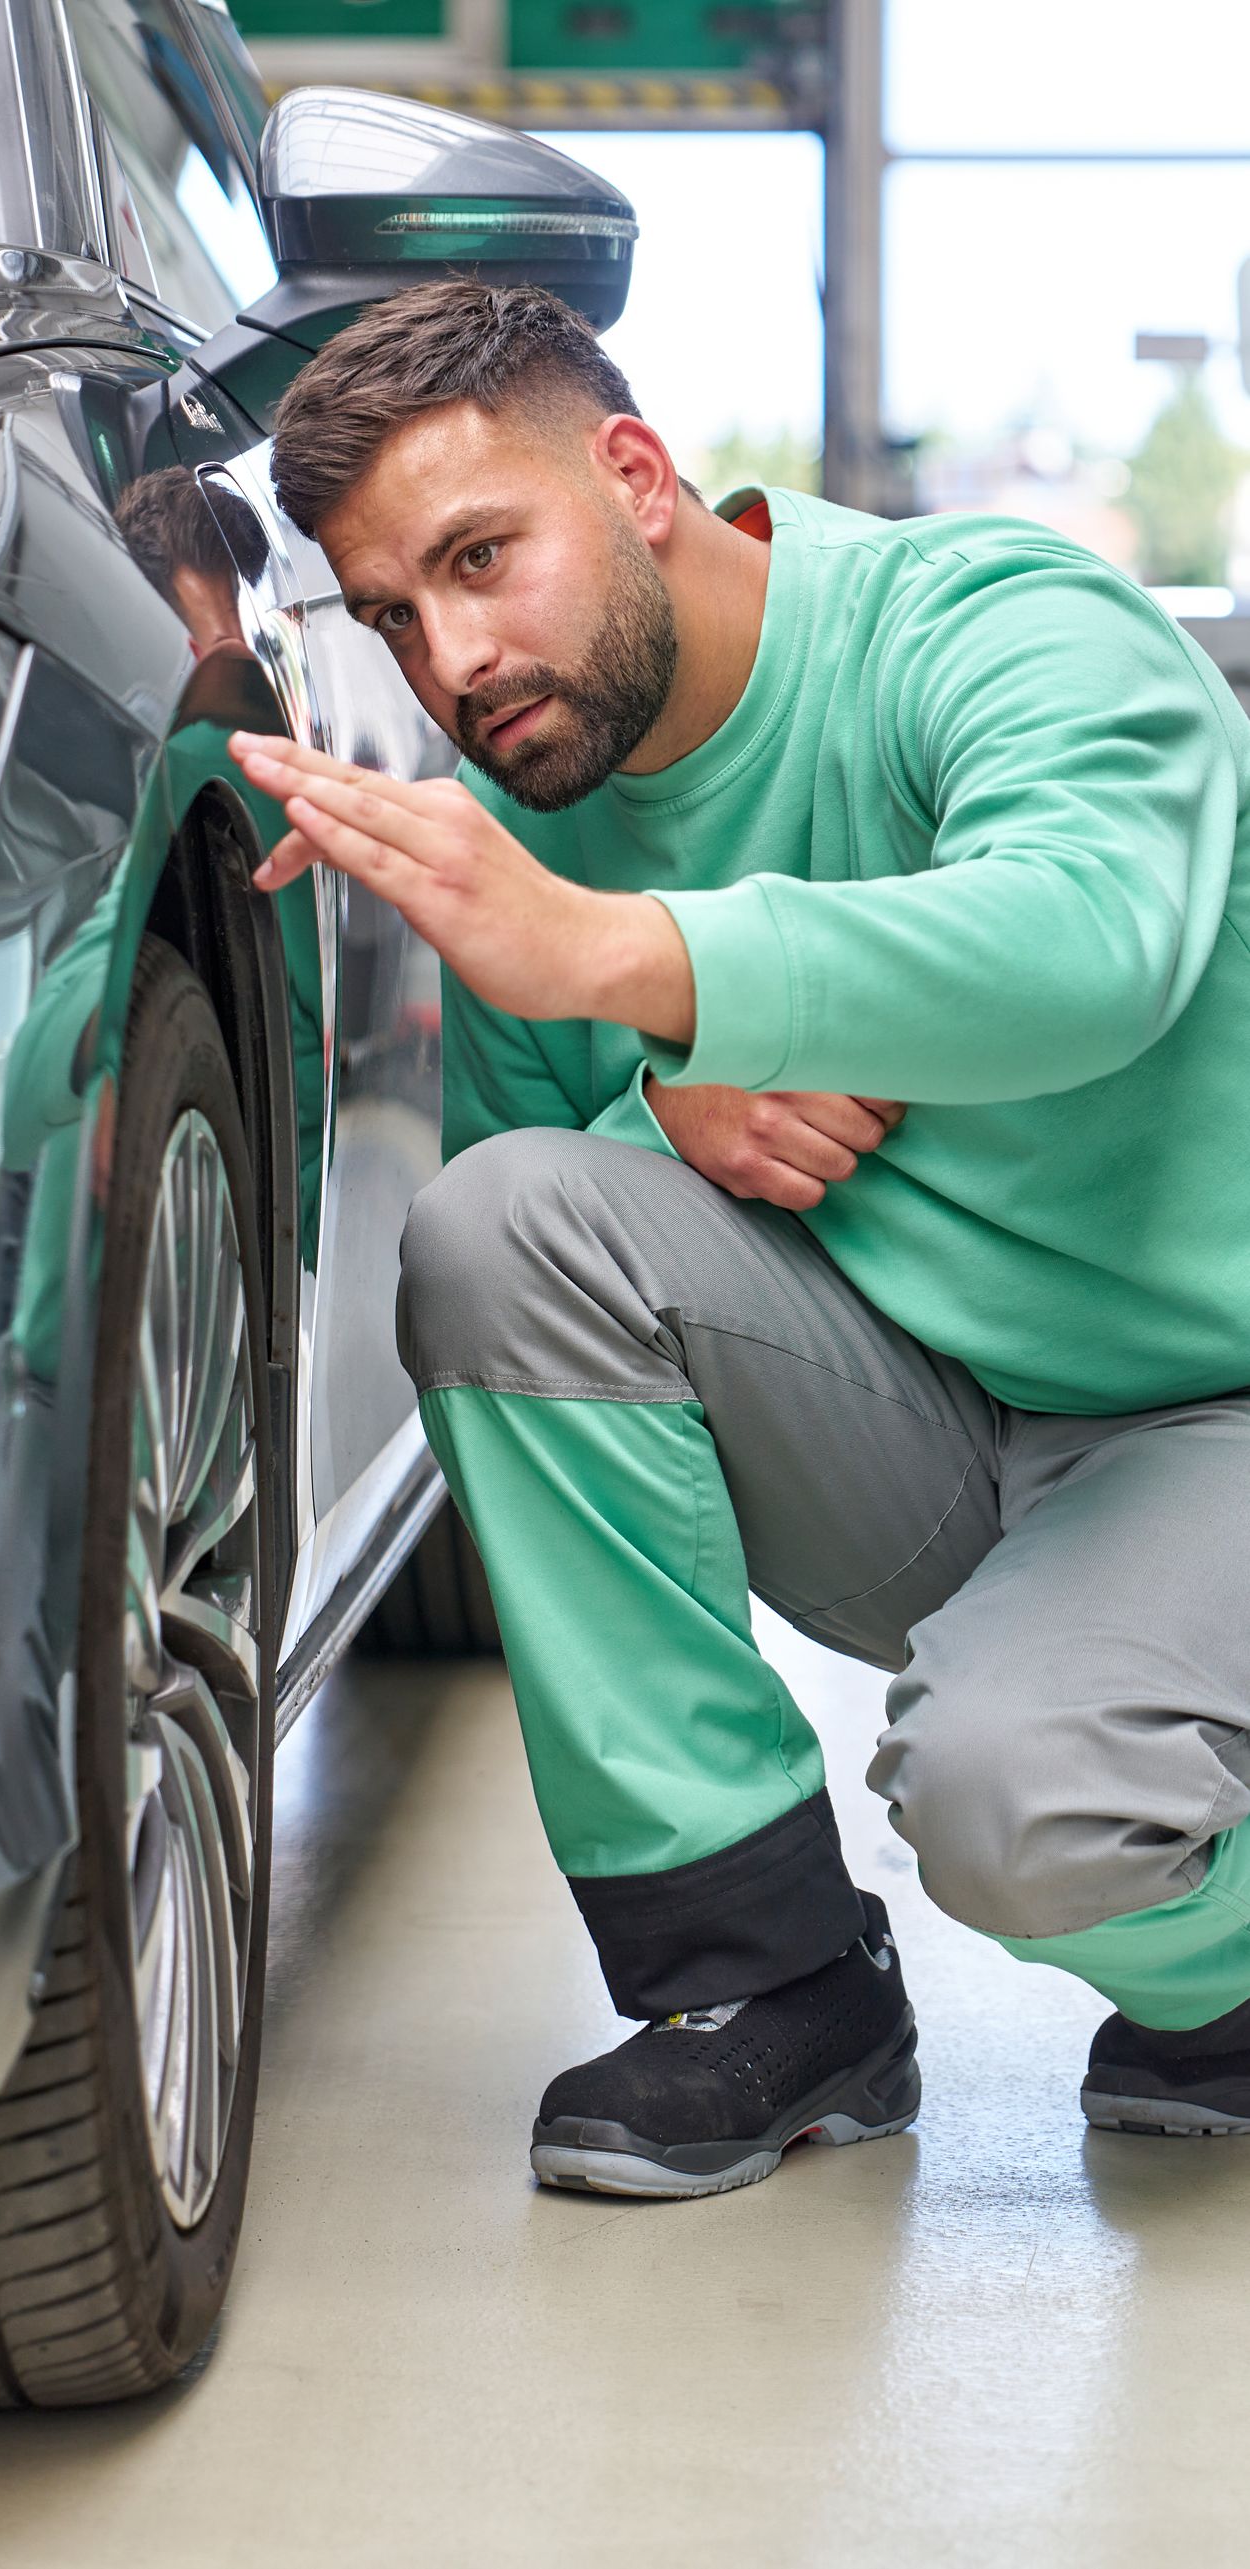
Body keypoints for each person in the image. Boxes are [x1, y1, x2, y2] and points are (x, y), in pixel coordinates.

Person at [229, 278, 1250, 2199]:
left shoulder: (991, 624)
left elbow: (1093, 940)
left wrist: (657, 969)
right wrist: (661, 1083)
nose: (448, 658)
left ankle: (1224, 1956)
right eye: (390, 615)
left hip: (1221, 1411)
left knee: (1023, 1807)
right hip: (950, 1435)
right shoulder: (533, 827)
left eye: (479, 558)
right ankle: (767, 1983)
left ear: (635, 476)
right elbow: (533, 1266)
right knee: (490, 1227)